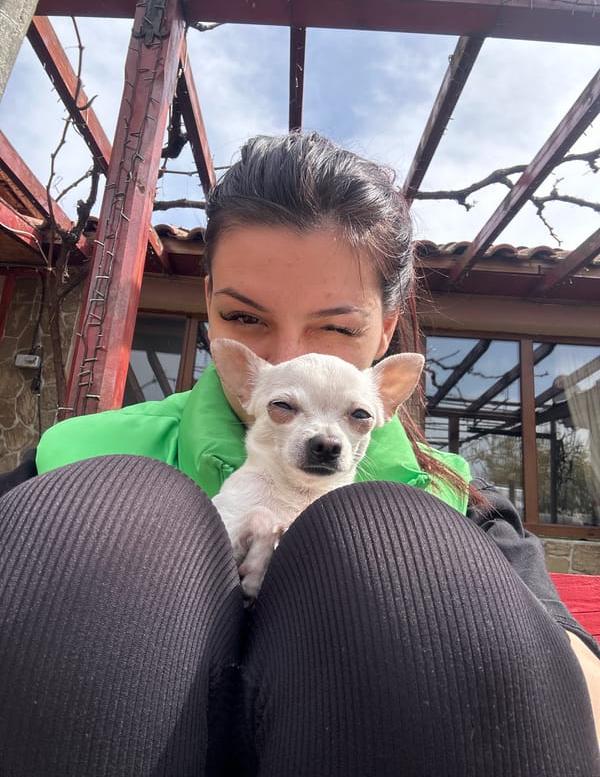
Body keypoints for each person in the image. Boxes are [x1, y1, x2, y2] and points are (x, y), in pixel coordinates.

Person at [0, 131, 598, 776]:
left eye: (338, 328)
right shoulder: (80, 453)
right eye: (246, 319)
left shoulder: (454, 500)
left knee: (393, 527)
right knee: (119, 495)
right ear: (210, 310)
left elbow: (575, 689)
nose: (287, 357)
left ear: (385, 330)